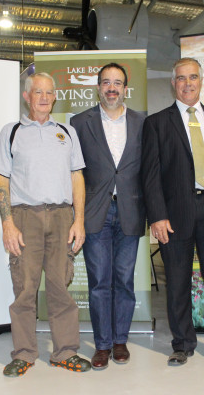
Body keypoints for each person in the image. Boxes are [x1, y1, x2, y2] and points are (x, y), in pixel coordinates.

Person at [141, 58, 204, 366]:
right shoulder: (157, 123)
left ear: (201, 81)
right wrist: (157, 216)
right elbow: (150, 175)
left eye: (193, 77)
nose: (188, 83)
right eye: (182, 78)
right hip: (174, 215)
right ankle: (182, 343)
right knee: (177, 282)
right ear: (173, 83)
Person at [0, 72, 91, 377]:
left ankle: (65, 352)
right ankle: (23, 353)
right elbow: (1, 180)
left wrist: (79, 220)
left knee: (60, 288)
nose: (44, 98)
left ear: (55, 96)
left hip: (61, 217)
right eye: (38, 92)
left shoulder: (67, 133)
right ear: (27, 96)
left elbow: (77, 177)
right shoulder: (11, 132)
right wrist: (8, 224)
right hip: (24, 218)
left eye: (48, 92)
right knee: (24, 288)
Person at [70, 63, 146, 370]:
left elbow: (150, 170)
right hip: (94, 212)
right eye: (106, 82)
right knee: (99, 281)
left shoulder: (143, 122)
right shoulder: (79, 122)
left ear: (125, 88)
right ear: (98, 87)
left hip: (131, 209)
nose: (111, 88)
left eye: (117, 83)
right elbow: (73, 172)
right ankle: (102, 345)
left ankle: (120, 341)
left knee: (124, 281)